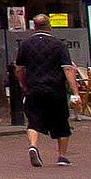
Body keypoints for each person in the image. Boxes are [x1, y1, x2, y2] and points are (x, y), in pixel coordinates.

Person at [13, 13, 78, 167]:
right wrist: (75, 92)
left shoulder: (25, 45)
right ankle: (62, 156)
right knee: (61, 121)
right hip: (56, 89)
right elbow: (68, 69)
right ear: (49, 25)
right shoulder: (58, 45)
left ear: (34, 27)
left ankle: (33, 146)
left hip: (34, 88)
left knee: (33, 121)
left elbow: (19, 69)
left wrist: (24, 85)